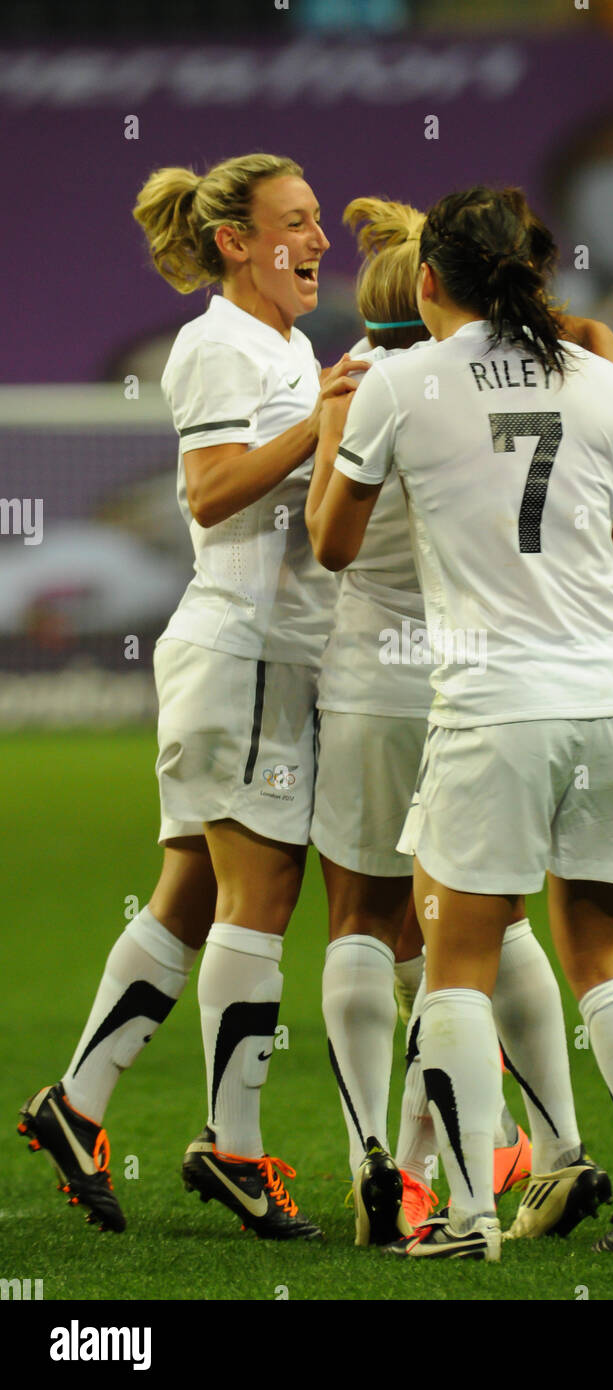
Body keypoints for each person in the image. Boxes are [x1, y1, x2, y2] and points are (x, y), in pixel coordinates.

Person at [306, 185, 613, 1261]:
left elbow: (334, 547)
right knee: (604, 953)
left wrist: (339, 427)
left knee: (458, 958)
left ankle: (468, 1215)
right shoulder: (602, 372)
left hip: (494, 703)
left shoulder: (396, 384)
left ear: (425, 280)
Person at [18, 153, 364, 1239]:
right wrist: (323, 423)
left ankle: (74, 1105)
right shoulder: (215, 344)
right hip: (245, 650)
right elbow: (210, 495)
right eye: (296, 224)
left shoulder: (289, 345)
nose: (317, 242)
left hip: (264, 651)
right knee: (258, 900)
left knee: (191, 897)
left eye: (315, 223)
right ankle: (236, 1148)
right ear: (235, 241)